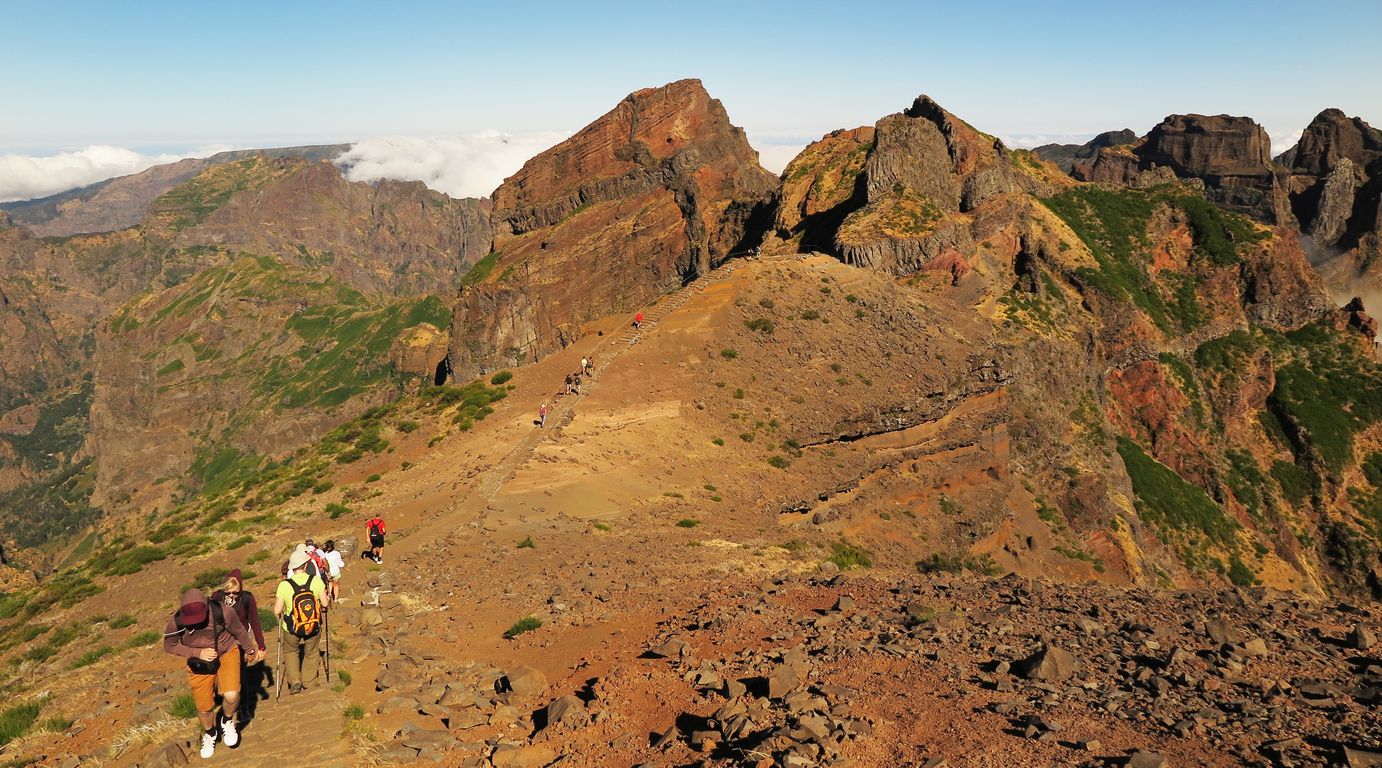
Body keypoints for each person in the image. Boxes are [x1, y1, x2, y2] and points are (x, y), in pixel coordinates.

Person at [164, 587, 257, 758]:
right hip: (199, 663)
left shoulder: (223, 612)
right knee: (204, 707)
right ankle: (210, 733)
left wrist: (249, 649)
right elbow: (169, 645)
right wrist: (198, 653)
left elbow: (239, 631)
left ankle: (227, 720)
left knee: (231, 695)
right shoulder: (176, 622)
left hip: (227, 651)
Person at [274, 550, 327, 695]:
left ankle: (295, 681)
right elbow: (325, 603)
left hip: (291, 627)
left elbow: (277, 610)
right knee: (312, 652)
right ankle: (309, 682)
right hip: (313, 625)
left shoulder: (284, 585)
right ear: (305, 565)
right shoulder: (315, 581)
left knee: (290, 651)